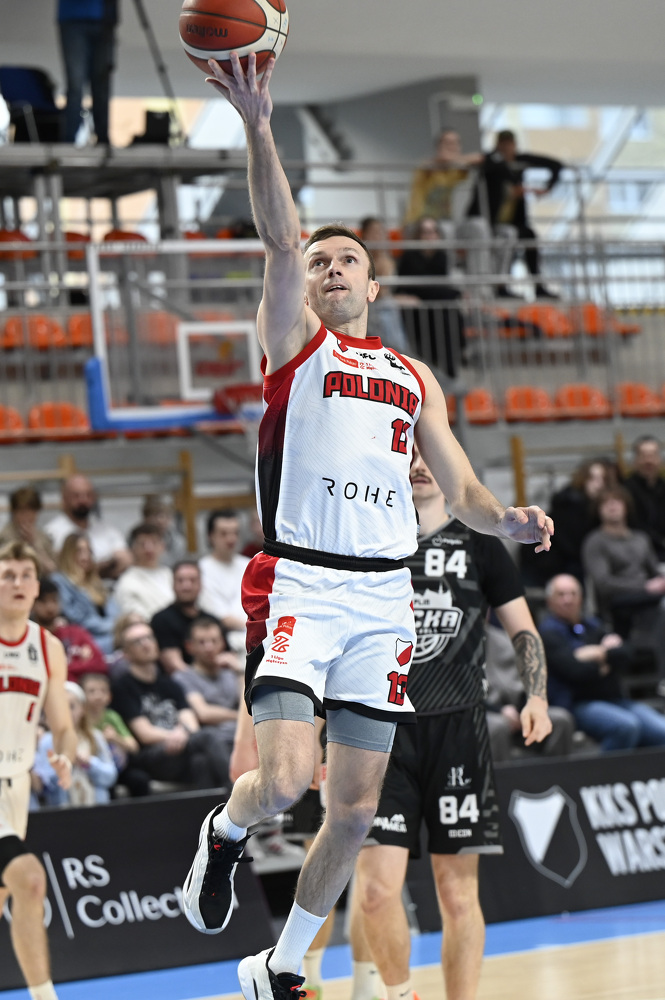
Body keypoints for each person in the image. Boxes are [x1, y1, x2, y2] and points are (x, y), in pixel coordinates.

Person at [182, 52, 552, 1000]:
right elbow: (278, 237)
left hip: (384, 598)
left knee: (350, 814)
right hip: (302, 581)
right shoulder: (292, 344)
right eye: (320, 262)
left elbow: (461, 489)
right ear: (305, 286)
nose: (331, 268)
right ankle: (224, 832)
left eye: (347, 259)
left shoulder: (411, 377)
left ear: (374, 286)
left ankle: (279, 967)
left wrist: (507, 520)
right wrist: (258, 123)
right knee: (283, 782)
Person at [352, 448, 552, 1000]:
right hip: (380, 734)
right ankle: (400, 996)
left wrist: (536, 695)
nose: (419, 465)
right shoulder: (368, 539)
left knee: (458, 897)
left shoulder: (479, 544)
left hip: (459, 733)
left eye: (428, 456)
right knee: (374, 892)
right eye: (409, 455)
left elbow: (524, 631)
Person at [0, 540, 76, 1000]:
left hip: (16, 790)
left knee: (10, 892)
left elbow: (63, 727)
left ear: (36, 587)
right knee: (29, 879)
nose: (17, 583)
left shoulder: (47, 647)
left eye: (25, 575)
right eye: (7, 574)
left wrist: (63, 754)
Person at [539, 574, 665, 750]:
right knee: (625, 727)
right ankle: (605, 769)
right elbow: (575, 671)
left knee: (661, 731)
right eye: (561, 594)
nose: (568, 600)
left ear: (581, 598)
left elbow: (626, 654)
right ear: (549, 600)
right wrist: (607, 658)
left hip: (614, 699)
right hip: (577, 704)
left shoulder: (593, 625)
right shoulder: (547, 633)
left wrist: (595, 654)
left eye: (573, 594)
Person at [111, 620, 229, 790]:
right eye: (137, 641)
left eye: (149, 638)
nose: (146, 644)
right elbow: (145, 734)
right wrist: (175, 735)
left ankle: (218, 806)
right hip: (151, 755)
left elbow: (190, 723)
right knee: (209, 735)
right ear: (126, 653)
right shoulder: (123, 687)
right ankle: (239, 794)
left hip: (181, 748)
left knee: (200, 762)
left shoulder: (169, 683)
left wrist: (182, 733)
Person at [405, 131, 515, 293]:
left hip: (448, 222)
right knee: (445, 228)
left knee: (478, 225)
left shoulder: (454, 170)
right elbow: (441, 160)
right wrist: (457, 159)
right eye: (448, 143)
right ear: (438, 146)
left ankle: (482, 287)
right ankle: (452, 287)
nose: (452, 147)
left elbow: (478, 158)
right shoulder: (427, 167)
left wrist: (459, 159)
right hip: (418, 223)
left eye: (455, 144)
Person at [582, 486, 665, 683]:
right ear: (598, 510)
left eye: (617, 501)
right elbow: (603, 583)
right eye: (606, 502)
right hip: (619, 602)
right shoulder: (595, 541)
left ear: (626, 506)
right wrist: (644, 586)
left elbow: (654, 572)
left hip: (649, 597)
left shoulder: (641, 538)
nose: (612, 506)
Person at [468, 129, 562, 298]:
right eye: (502, 144)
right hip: (491, 221)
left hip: (513, 221)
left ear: (514, 145)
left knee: (529, 236)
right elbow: (492, 165)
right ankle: (500, 286)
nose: (506, 148)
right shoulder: (494, 162)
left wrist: (546, 188)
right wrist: (518, 185)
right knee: (507, 237)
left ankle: (538, 286)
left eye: (509, 144)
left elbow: (556, 165)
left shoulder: (520, 161)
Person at [484, 616, 575, 762]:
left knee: (560, 719)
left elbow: (526, 680)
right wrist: (498, 710)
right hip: (482, 711)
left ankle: (557, 776)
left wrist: (527, 707)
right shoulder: (456, 644)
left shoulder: (504, 639)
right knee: (498, 728)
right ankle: (500, 777)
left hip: (516, 707)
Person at [520, 456, 619, 587]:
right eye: (592, 478)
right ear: (583, 479)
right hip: (547, 566)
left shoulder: (594, 509)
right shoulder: (570, 505)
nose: (598, 484)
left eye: (603, 479)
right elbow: (574, 548)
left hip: (559, 565)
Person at [174, 615, 242, 791]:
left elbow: (248, 707)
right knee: (201, 761)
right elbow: (203, 713)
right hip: (216, 742)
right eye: (202, 642)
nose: (209, 647)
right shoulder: (183, 677)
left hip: (242, 738)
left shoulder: (231, 673)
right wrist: (239, 716)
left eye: (214, 641)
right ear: (189, 647)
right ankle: (236, 793)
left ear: (223, 643)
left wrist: (239, 672)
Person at [397, 215, 466, 377]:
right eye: (425, 232)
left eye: (433, 231)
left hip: (437, 307)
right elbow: (410, 287)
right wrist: (456, 293)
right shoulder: (408, 257)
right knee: (448, 305)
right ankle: (449, 362)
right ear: (418, 235)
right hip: (416, 309)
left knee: (448, 313)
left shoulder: (442, 256)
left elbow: (438, 286)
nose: (430, 236)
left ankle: (450, 367)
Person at [34, 681, 117, 805]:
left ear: (83, 709)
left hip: (97, 808)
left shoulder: (95, 737)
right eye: (61, 708)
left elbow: (110, 776)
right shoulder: (46, 741)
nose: (66, 713)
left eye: (71, 707)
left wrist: (90, 763)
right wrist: (62, 767)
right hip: (63, 810)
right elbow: (43, 786)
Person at [57, 0, 119, 145]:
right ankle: (69, 139)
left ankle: (102, 138)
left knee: (102, 83)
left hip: (104, 19)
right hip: (73, 19)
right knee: (75, 84)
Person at [45, 474, 131, 578]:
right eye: (76, 495)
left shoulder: (107, 530)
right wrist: (102, 568)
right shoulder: (51, 532)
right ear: (64, 498)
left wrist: (91, 570)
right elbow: (60, 568)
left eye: (88, 495)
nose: (83, 500)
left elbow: (125, 560)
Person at [79, 671, 148, 797]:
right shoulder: (80, 719)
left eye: (103, 691)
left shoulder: (112, 716)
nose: (98, 696)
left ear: (109, 696)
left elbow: (133, 747)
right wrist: (100, 740)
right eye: (92, 691)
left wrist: (115, 738)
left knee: (139, 780)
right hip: (95, 770)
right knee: (106, 787)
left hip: (118, 767)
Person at [52, 532, 119, 654]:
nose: (85, 557)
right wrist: (113, 627)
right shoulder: (59, 582)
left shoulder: (96, 582)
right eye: (79, 551)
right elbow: (77, 619)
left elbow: (114, 610)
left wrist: (121, 624)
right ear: (68, 554)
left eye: (88, 551)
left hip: (111, 634)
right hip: (85, 641)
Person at [31, 576, 107, 682]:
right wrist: (78, 666)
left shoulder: (76, 632)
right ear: (32, 604)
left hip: (80, 687)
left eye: (54, 600)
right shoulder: (30, 638)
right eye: (43, 601)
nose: (50, 607)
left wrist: (64, 670)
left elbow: (100, 664)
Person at [359, 217, 413, 355]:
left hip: (387, 310)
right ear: (364, 235)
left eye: (381, 232)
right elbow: (377, 293)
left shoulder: (388, 260)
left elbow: (385, 292)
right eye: (374, 232)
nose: (378, 236)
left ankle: (399, 354)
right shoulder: (360, 260)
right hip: (370, 309)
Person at [199, 509, 250, 650]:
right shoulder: (202, 569)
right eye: (224, 533)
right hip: (224, 641)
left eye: (235, 533)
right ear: (211, 536)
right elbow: (220, 617)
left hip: (255, 635)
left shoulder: (249, 565)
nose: (231, 539)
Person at [151, 560, 212, 674]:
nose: (186, 586)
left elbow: (228, 658)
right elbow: (173, 665)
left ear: (201, 584)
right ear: (173, 584)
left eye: (192, 580)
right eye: (180, 580)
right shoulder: (161, 620)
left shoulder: (212, 621)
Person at [114, 523, 174, 619]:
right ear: (133, 549)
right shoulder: (127, 582)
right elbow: (137, 617)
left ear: (162, 546)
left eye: (154, 543)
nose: (149, 549)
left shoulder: (170, 574)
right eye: (143, 544)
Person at [624, 435, 665, 562]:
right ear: (635, 460)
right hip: (635, 555)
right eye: (643, 456)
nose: (649, 461)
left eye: (653, 455)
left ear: (660, 459)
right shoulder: (624, 490)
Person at [0, 486, 56, 574]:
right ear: (13, 512)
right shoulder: (4, 537)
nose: (27, 515)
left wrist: (34, 544)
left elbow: (52, 569)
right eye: (22, 511)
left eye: (31, 511)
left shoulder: (43, 536)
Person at [141, 494, 188, 567]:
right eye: (155, 515)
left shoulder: (178, 541)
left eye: (167, 515)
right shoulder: (136, 539)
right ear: (145, 518)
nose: (161, 520)